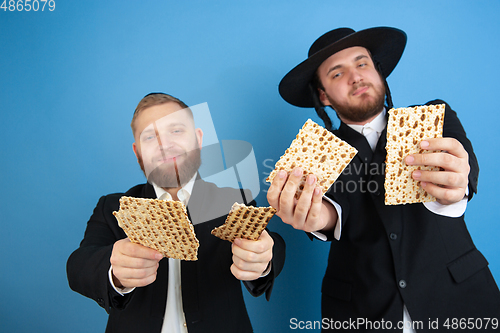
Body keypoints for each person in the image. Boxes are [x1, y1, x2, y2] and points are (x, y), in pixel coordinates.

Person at [268, 27, 500, 332]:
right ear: (322, 94)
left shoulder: (434, 118)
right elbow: (332, 206)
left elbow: (460, 176)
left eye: (362, 63)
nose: (355, 77)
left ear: (378, 70)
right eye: (337, 73)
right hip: (358, 313)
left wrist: (455, 186)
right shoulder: (317, 153)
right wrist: (315, 215)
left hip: (460, 300)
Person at [67, 93, 285, 333]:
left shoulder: (235, 201)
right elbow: (79, 265)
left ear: (199, 139)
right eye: (150, 136)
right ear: (137, 151)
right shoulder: (113, 207)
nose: (164, 144)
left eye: (177, 130)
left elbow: (270, 246)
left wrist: (263, 259)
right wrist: (113, 269)